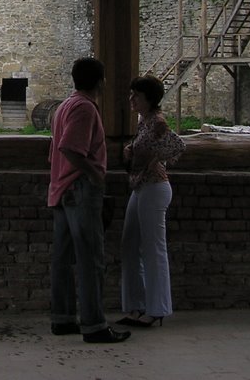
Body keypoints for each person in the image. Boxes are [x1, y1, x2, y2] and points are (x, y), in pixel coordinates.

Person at [49, 57, 131, 344]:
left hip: (61, 188)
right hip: (79, 189)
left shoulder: (64, 106)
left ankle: (62, 319)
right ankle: (94, 325)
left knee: (62, 259)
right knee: (90, 259)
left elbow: (57, 151)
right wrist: (95, 174)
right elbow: (70, 148)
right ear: (100, 81)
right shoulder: (84, 108)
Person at [118, 74, 186, 328]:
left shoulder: (157, 122)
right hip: (140, 186)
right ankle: (136, 306)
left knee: (152, 248)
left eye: (136, 95)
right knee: (130, 245)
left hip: (154, 187)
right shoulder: (144, 122)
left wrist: (157, 160)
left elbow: (178, 146)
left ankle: (157, 308)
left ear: (149, 99)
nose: (131, 98)